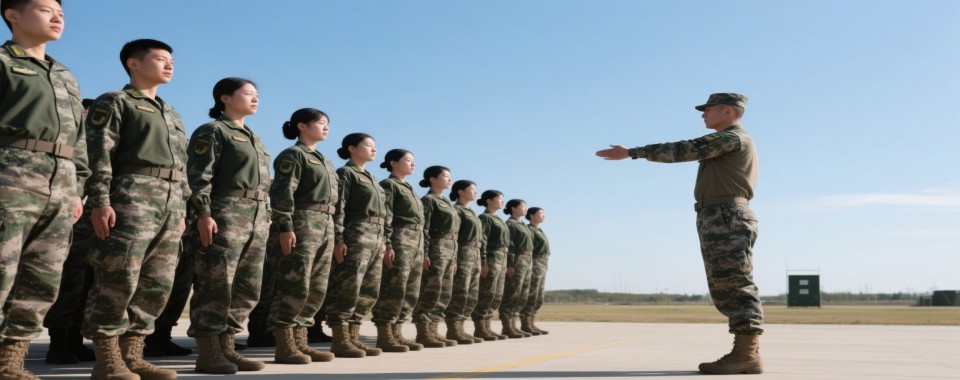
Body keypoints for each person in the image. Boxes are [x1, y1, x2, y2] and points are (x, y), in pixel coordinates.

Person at [595, 92, 763, 375]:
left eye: (708, 109)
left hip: (726, 216)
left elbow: (684, 149)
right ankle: (745, 352)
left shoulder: (732, 138)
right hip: (718, 215)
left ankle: (747, 354)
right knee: (725, 284)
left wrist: (633, 152)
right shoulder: (728, 140)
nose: (703, 115)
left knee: (736, 283)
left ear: (727, 111)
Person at [80, 38, 187, 380]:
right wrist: (100, 200)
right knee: (119, 276)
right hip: (131, 196)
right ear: (134, 63)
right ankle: (107, 359)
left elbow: (182, 166)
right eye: (161, 59)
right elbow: (98, 153)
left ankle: (133, 354)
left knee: (156, 282)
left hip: (169, 202)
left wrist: (182, 210)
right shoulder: (115, 101)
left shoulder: (171, 112)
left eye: (172, 61)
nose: (169, 65)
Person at [0, 1, 89, 378]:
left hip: (61, 186)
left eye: (61, 13)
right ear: (13, 15)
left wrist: (77, 187)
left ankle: (10, 362)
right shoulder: (4, 62)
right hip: (11, 177)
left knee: (42, 280)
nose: (57, 17)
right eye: (45, 9)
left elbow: (78, 141)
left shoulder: (65, 75)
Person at [186, 77, 271, 374]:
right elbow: (199, 176)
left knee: (248, 287)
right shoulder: (213, 131)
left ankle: (228, 347)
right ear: (225, 98)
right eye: (248, 93)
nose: (255, 98)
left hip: (256, 217)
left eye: (257, 94)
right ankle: (208, 352)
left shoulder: (254, 138)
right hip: (225, 213)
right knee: (216, 283)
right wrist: (203, 213)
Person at [258, 108, 338, 364]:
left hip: (325, 224)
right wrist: (285, 226)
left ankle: (301, 341)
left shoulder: (324, 160)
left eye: (327, 123)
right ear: (302, 126)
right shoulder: (293, 155)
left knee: (316, 287)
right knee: (295, 284)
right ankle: (285, 345)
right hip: (302, 223)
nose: (326, 127)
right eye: (320, 122)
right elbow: (282, 193)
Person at [42, 97, 97, 365]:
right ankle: (58, 344)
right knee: (70, 283)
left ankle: (75, 340)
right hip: (75, 219)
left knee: (87, 284)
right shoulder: (73, 135)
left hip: (95, 222)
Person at [324, 133, 386, 358]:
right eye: (368, 145)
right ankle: (340, 340)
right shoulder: (346, 174)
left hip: (376, 238)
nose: (374, 149)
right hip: (356, 235)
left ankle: (353, 337)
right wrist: (339, 239)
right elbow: (339, 207)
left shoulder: (372, 178)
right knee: (349, 287)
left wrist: (384, 242)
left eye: (374, 145)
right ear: (351, 148)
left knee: (368, 291)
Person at [369, 149, 425, 352]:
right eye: (408, 160)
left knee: (410, 291)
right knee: (394, 288)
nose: (413, 164)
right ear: (393, 163)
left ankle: (397, 332)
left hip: (416, 242)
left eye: (413, 160)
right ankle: (385, 335)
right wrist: (388, 244)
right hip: (400, 239)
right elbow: (387, 217)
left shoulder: (409, 188)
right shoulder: (389, 185)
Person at [411, 166, 459, 348]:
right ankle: (424, 333)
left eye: (450, 176)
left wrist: (454, 257)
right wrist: (424, 252)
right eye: (445, 176)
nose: (449, 179)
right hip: (436, 248)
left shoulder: (446, 202)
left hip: (449, 250)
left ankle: (433, 330)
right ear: (432, 179)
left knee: (444, 292)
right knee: (431, 290)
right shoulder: (429, 200)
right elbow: (424, 229)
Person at [444, 180, 484, 344]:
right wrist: (454, 258)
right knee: (460, 292)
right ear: (461, 192)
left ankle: (460, 327)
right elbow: (454, 235)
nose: (475, 193)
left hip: (475, 253)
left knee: (471, 294)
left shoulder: (471, 211)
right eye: (472, 190)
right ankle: (453, 329)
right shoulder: (457, 210)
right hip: (463, 252)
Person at [470, 190, 510, 341]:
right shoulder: (485, 218)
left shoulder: (497, 218)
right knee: (487, 293)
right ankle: (480, 328)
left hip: (502, 259)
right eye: (499, 199)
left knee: (496, 295)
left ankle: (487, 327)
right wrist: (484, 262)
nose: (502, 202)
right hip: (492, 258)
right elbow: (483, 241)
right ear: (489, 201)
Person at [497, 199, 534, 338]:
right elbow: (510, 245)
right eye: (523, 206)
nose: (526, 209)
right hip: (517, 260)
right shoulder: (511, 224)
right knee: (512, 294)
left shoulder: (522, 224)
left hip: (527, 260)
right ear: (513, 208)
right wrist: (510, 264)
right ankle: (507, 327)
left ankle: (513, 325)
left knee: (522, 296)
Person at [519, 207, 550, 335]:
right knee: (531, 295)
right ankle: (526, 324)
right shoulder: (530, 230)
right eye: (541, 214)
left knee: (538, 296)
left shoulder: (539, 230)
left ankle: (531, 323)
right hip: (534, 262)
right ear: (532, 216)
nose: (544, 216)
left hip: (542, 263)